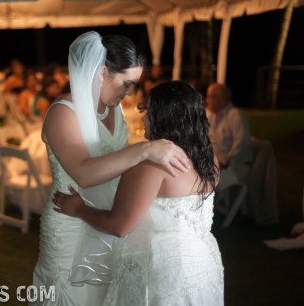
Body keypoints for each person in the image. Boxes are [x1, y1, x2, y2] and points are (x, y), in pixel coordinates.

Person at [31, 32, 190, 306]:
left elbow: (117, 163)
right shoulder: (62, 113)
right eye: (126, 84)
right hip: (72, 222)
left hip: (107, 217)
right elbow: (84, 172)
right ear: (103, 73)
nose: (129, 92)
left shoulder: (113, 109)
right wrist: (143, 150)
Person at [54, 80, 224, 305]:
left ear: (165, 117)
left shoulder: (150, 166)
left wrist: (78, 209)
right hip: (203, 265)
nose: (144, 119)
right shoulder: (208, 157)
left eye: (149, 112)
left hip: (160, 271)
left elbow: (119, 225)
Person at [206, 83, 252, 173]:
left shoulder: (235, 115)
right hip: (216, 167)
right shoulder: (211, 116)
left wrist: (225, 162)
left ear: (221, 98)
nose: (207, 100)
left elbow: (241, 143)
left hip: (235, 166)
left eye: (210, 96)